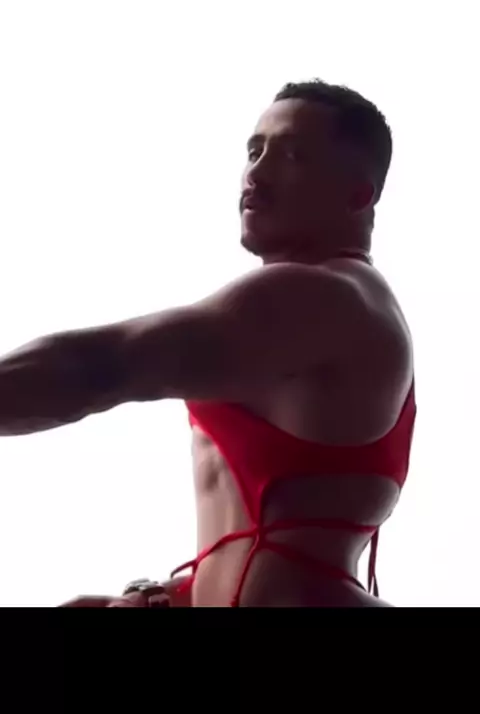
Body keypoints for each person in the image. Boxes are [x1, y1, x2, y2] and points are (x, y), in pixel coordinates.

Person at [1, 79, 416, 607]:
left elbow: (100, 366)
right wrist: (170, 596)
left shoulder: (324, 299)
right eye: (254, 151)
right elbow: (271, 547)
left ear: (358, 194)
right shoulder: (338, 306)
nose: (256, 173)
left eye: (292, 155)